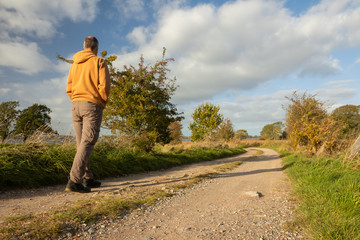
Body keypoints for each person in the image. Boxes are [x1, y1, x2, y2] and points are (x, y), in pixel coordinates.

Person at [65, 36, 111, 193]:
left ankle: (88, 178)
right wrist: (101, 102)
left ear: (84, 46)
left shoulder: (75, 63)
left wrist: (77, 98)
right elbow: (104, 86)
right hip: (91, 104)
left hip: (75, 104)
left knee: (81, 143)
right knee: (88, 141)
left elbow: (69, 87)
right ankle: (74, 181)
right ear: (96, 48)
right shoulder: (99, 61)